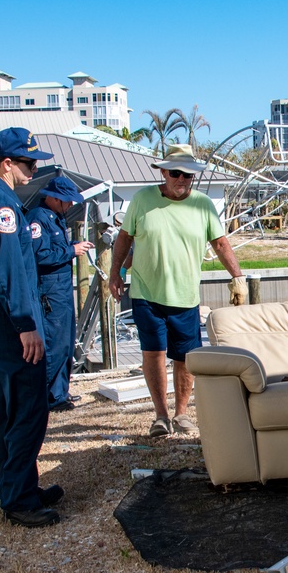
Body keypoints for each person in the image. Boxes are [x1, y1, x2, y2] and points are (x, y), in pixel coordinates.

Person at [108, 144, 247, 438]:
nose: (182, 179)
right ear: (163, 171)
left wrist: (238, 277)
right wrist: (116, 272)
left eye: (188, 175)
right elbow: (124, 239)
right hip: (146, 294)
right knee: (154, 354)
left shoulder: (203, 205)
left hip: (185, 297)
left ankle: (181, 413)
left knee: (185, 359)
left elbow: (220, 244)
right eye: (176, 173)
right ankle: (161, 415)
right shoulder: (142, 200)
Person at [0, 127, 62, 528]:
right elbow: (9, 272)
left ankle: (18, 487)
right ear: (7, 164)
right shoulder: (3, 207)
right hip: (10, 322)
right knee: (27, 409)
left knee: (5, 411)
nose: (34, 167)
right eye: (28, 162)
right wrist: (26, 325)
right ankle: (19, 499)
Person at [26, 176, 94, 413]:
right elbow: (39, 255)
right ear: (54, 198)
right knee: (54, 344)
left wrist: (73, 246)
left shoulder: (56, 218)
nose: (71, 206)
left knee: (66, 343)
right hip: (49, 291)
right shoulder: (37, 219)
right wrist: (71, 251)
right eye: (67, 201)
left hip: (62, 291)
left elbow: (54, 249)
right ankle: (51, 397)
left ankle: (61, 391)